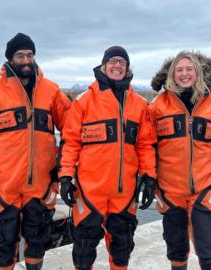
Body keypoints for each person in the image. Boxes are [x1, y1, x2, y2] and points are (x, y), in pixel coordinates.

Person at [0, 33, 71, 270]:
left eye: (30, 54)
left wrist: (63, 168)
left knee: (38, 240)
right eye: (20, 55)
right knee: (3, 244)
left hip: (42, 185)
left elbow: (72, 130)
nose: (26, 60)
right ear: (10, 58)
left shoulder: (52, 91)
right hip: (5, 184)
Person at [58, 45, 157, 270]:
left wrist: (150, 177)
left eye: (122, 62)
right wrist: (65, 177)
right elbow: (70, 142)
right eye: (113, 61)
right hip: (90, 190)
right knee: (83, 250)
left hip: (125, 192)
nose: (117, 65)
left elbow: (145, 145)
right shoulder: (84, 101)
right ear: (103, 66)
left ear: (127, 68)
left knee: (122, 249)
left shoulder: (140, 105)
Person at [148, 51, 211, 270]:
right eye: (179, 70)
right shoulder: (157, 106)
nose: (184, 74)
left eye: (189, 69)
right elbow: (147, 147)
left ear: (197, 72)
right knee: (176, 249)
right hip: (170, 191)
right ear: (172, 74)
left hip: (206, 188)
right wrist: (148, 178)